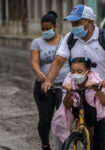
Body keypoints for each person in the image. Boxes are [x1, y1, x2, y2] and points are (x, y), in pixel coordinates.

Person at [42, 4, 105, 150]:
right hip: (78, 94)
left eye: (77, 23)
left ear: (89, 22)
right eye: (72, 23)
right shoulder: (71, 38)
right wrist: (48, 81)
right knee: (59, 126)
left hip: (103, 93)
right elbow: (58, 61)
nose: (73, 26)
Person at [52, 57, 105, 150]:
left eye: (79, 72)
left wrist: (97, 90)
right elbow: (67, 106)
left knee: (99, 144)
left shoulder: (95, 80)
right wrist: (68, 92)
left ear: (87, 72)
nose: (75, 74)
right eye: (73, 71)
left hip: (95, 115)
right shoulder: (68, 80)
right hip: (77, 110)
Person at [30, 11, 70, 150]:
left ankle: (64, 145)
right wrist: (38, 72)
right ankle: (45, 144)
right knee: (45, 119)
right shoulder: (37, 42)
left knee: (63, 120)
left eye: (48, 28)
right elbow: (34, 61)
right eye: (43, 29)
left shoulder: (65, 40)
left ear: (55, 27)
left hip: (63, 87)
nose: (45, 31)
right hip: (44, 87)